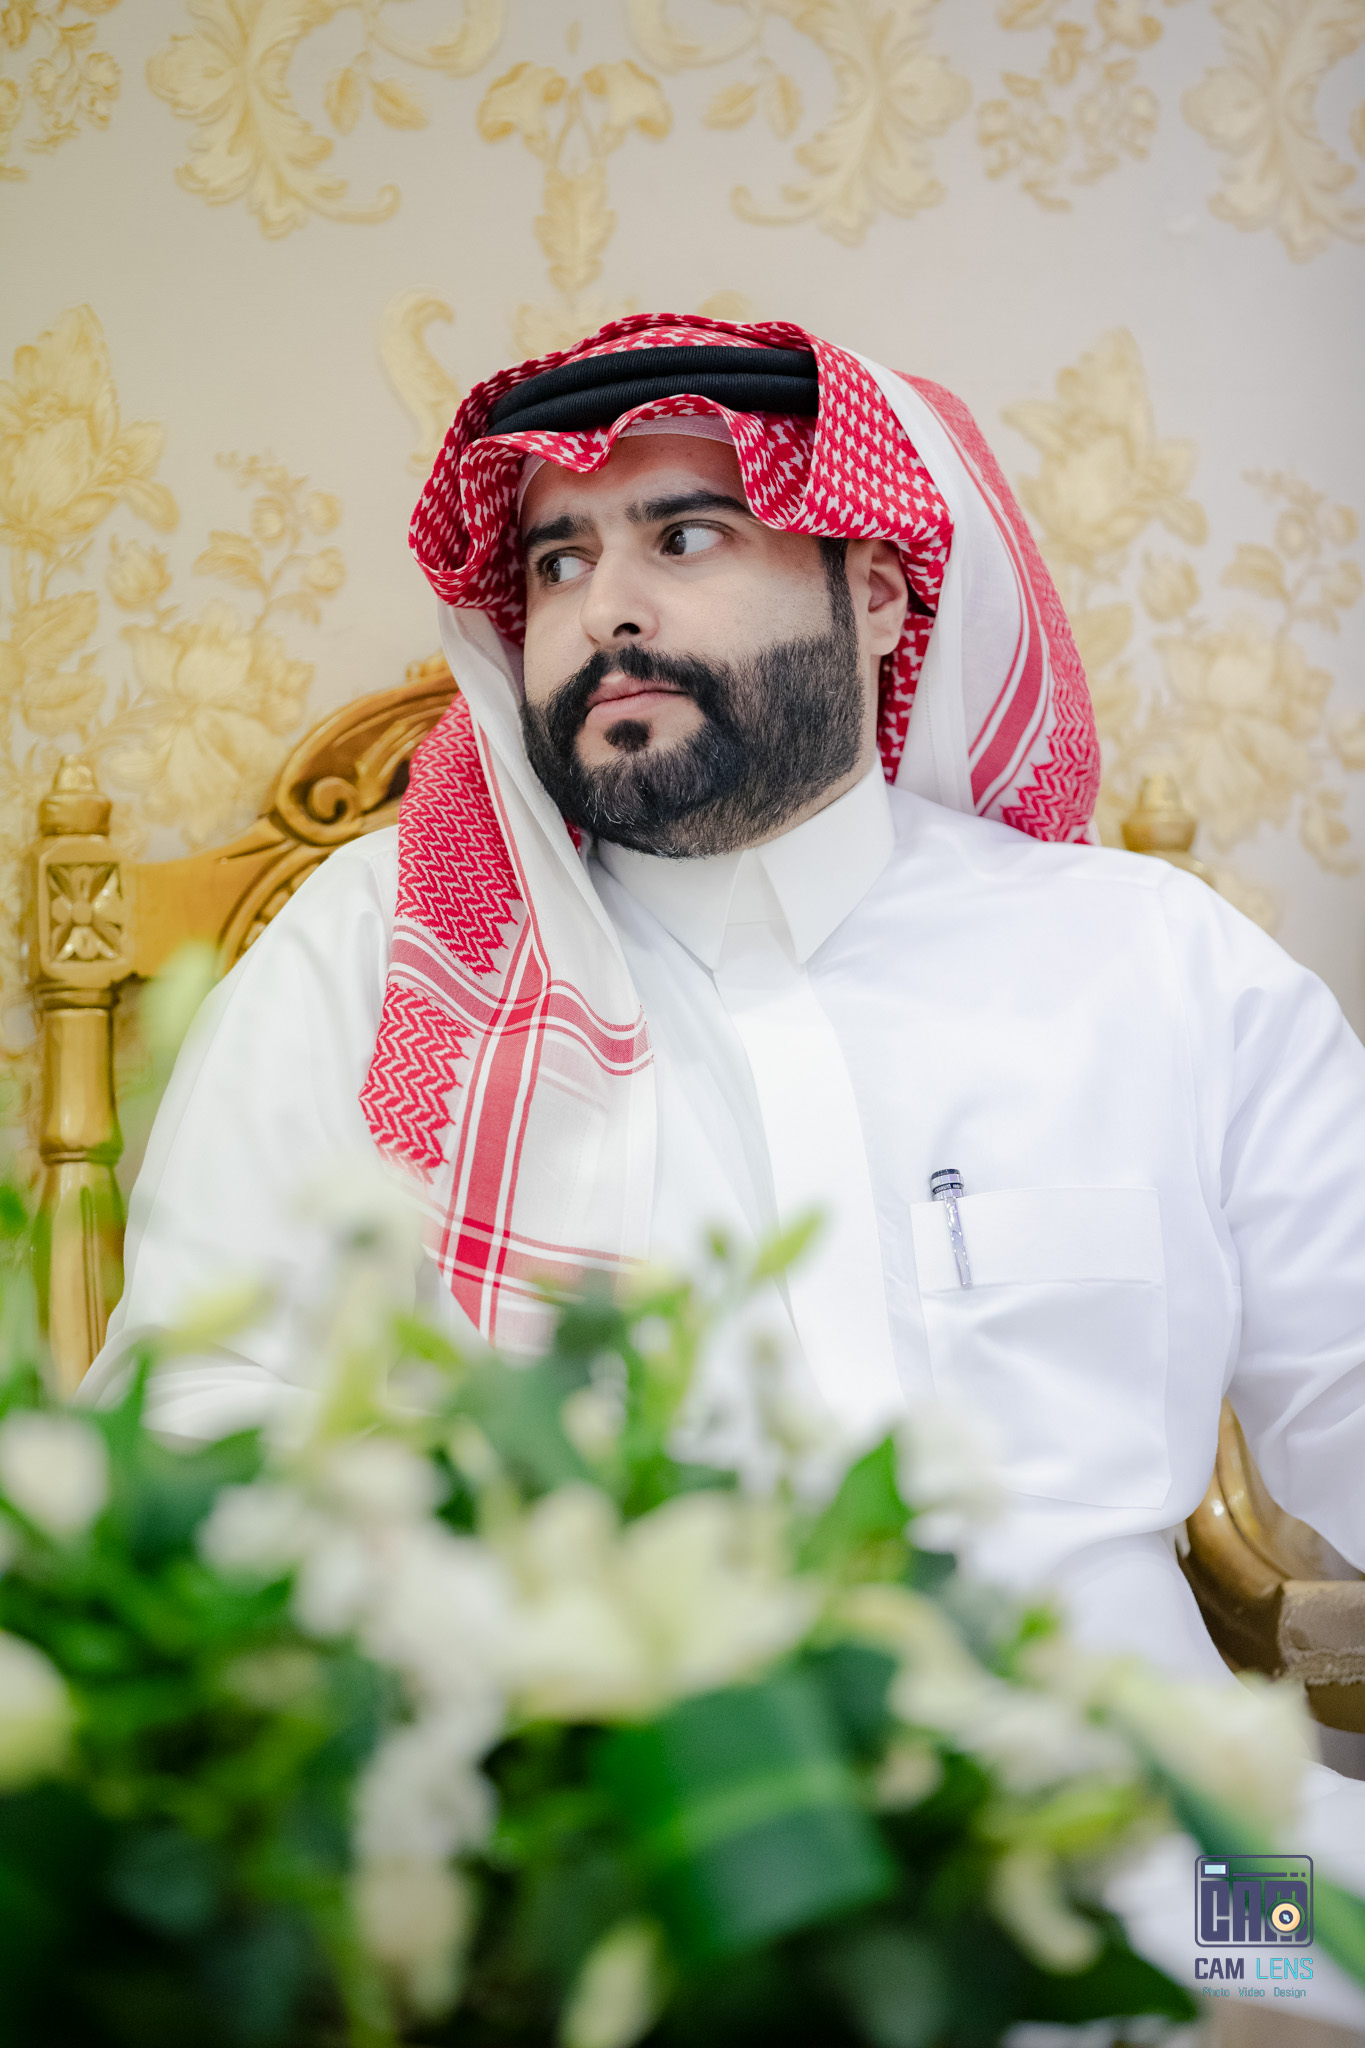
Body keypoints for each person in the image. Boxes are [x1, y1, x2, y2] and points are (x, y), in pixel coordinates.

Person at [86, 313, 1365, 1829]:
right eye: (557, 562)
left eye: (684, 536)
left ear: (874, 593)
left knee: (1289, 1945)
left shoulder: (1153, 963)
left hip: (1143, 1840)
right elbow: (192, 1433)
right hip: (600, 1853)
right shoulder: (382, 954)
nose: (603, 609)